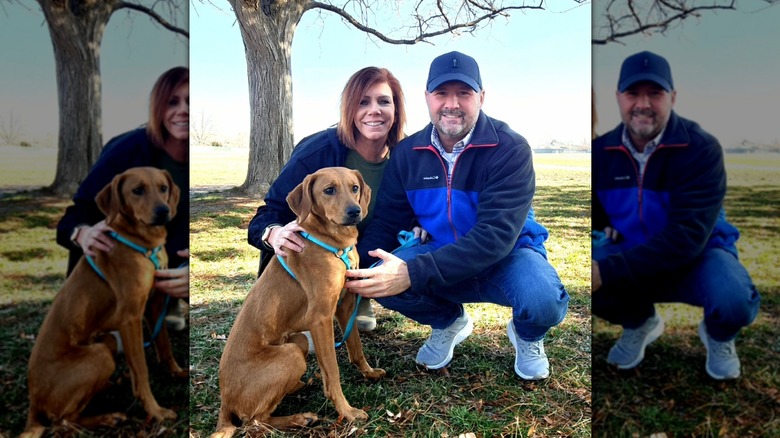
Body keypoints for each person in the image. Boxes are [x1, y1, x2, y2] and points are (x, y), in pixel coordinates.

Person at [344, 51, 569, 381]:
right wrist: (352, 267)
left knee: (542, 299)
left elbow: (495, 237)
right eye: (441, 94)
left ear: (481, 96)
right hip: (441, 251)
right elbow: (389, 221)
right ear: (427, 98)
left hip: (508, 256)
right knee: (381, 273)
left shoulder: (510, 149)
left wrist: (414, 272)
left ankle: (528, 335)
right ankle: (448, 322)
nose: (452, 104)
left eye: (463, 93)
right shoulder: (407, 154)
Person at [591, 51, 760, 380]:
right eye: (633, 93)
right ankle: (640, 323)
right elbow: (597, 213)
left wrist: (607, 269)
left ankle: (719, 335)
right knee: (584, 278)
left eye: (654, 93)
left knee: (733, 300)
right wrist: (603, 238)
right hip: (634, 250)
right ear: (618, 98)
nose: (643, 104)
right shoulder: (601, 154)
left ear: (673, 97)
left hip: (701, 255)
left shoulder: (701, 148)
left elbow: (688, 236)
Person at [247, 66, 407, 332]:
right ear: (348, 109)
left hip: (363, 255)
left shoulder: (407, 156)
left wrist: (419, 225)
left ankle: (356, 293)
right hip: (309, 267)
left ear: (396, 109)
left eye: (384, 101)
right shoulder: (317, 152)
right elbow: (268, 213)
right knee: (305, 343)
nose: (374, 110)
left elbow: (415, 206)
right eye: (362, 102)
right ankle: (307, 301)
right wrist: (273, 234)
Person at [56, 66, 190, 327]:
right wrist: (82, 233)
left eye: (191, 101)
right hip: (117, 264)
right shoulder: (126, 150)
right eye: (173, 101)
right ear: (158, 107)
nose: (183, 109)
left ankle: (164, 300)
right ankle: (108, 305)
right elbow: (74, 216)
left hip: (166, 264)